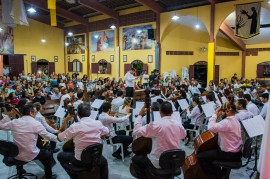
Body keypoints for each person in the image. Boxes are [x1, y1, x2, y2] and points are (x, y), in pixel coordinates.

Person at [0, 104, 58, 179]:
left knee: (22, 147)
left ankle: (20, 170)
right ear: (31, 113)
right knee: (47, 155)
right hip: (30, 154)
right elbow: (48, 136)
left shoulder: (14, 122)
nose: (35, 114)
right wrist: (59, 138)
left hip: (15, 154)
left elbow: (1, 126)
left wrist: (8, 116)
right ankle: (48, 177)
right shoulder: (36, 124)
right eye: (35, 112)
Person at [132, 102, 186, 178]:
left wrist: (140, 115)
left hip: (158, 162)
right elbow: (184, 135)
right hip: (174, 161)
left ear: (160, 112)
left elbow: (136, 131)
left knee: (136, 159)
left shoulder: (156, 125)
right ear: (172, 112)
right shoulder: (178, 124)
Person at [57, 102, 109, 179]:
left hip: (80, 161)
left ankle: (74, 177)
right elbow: (107, 132)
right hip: (96, 159)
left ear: (78, 113)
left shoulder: (75, 127)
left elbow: (59, 138)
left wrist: (65, 121)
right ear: (90, 113)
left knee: (60, 156)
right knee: (104, 162)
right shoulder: (98, 123)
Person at [197, 102, 242, 177]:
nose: (221, 113)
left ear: (227, 111)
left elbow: (211, 128)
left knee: (200, 156)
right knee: (211, 152)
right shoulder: (235, 120)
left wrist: (215, 115)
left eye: (223, 111)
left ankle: (220, 176)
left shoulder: (226, 122)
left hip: (229, 153)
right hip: (237, 152)